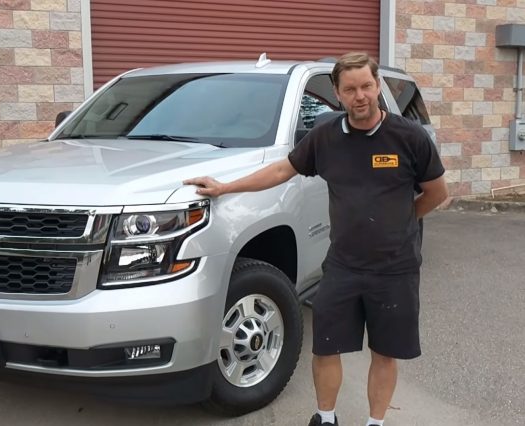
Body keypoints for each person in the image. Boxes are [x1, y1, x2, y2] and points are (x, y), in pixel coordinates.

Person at [184, 52, 448, 426]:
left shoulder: (409, 137)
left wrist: (403, 222)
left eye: (367, 86)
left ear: (377, 86)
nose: (360, 96)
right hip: (342, 265)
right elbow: (281, 170)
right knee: (326, 347)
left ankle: (375, 422)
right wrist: (226, 187)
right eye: (350, 89)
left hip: (395, 268)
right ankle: (325, 418)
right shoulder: (326, 137)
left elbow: (437, 192)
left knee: (385, 352)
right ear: (338, 93)